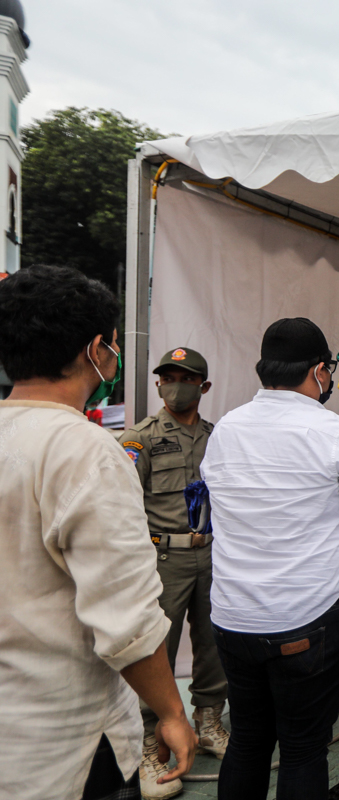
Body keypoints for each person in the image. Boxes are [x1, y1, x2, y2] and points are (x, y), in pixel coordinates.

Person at [0, 265, 197, 800]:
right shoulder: (85, 450)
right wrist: (172, 713)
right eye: (111, 344)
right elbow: (125, 619)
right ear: (96, 351)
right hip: (67, 745)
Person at [202, 318, 339, 799]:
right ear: (320, 370)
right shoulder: (337, 433)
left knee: (247, 739)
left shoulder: (225, 428)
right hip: (307, 622)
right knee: (303, 749)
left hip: (233, 620)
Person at [120, 347, 229, 796]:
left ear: (203, 387)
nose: (174, 385)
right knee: (154, 649)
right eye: (167, 377)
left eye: (185, 378)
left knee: (215, 638)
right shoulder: (138, 439)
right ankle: (152, 740)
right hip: (162, 559)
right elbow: (122, 507)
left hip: (214, 555)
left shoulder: (219, 436)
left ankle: (208, 721)